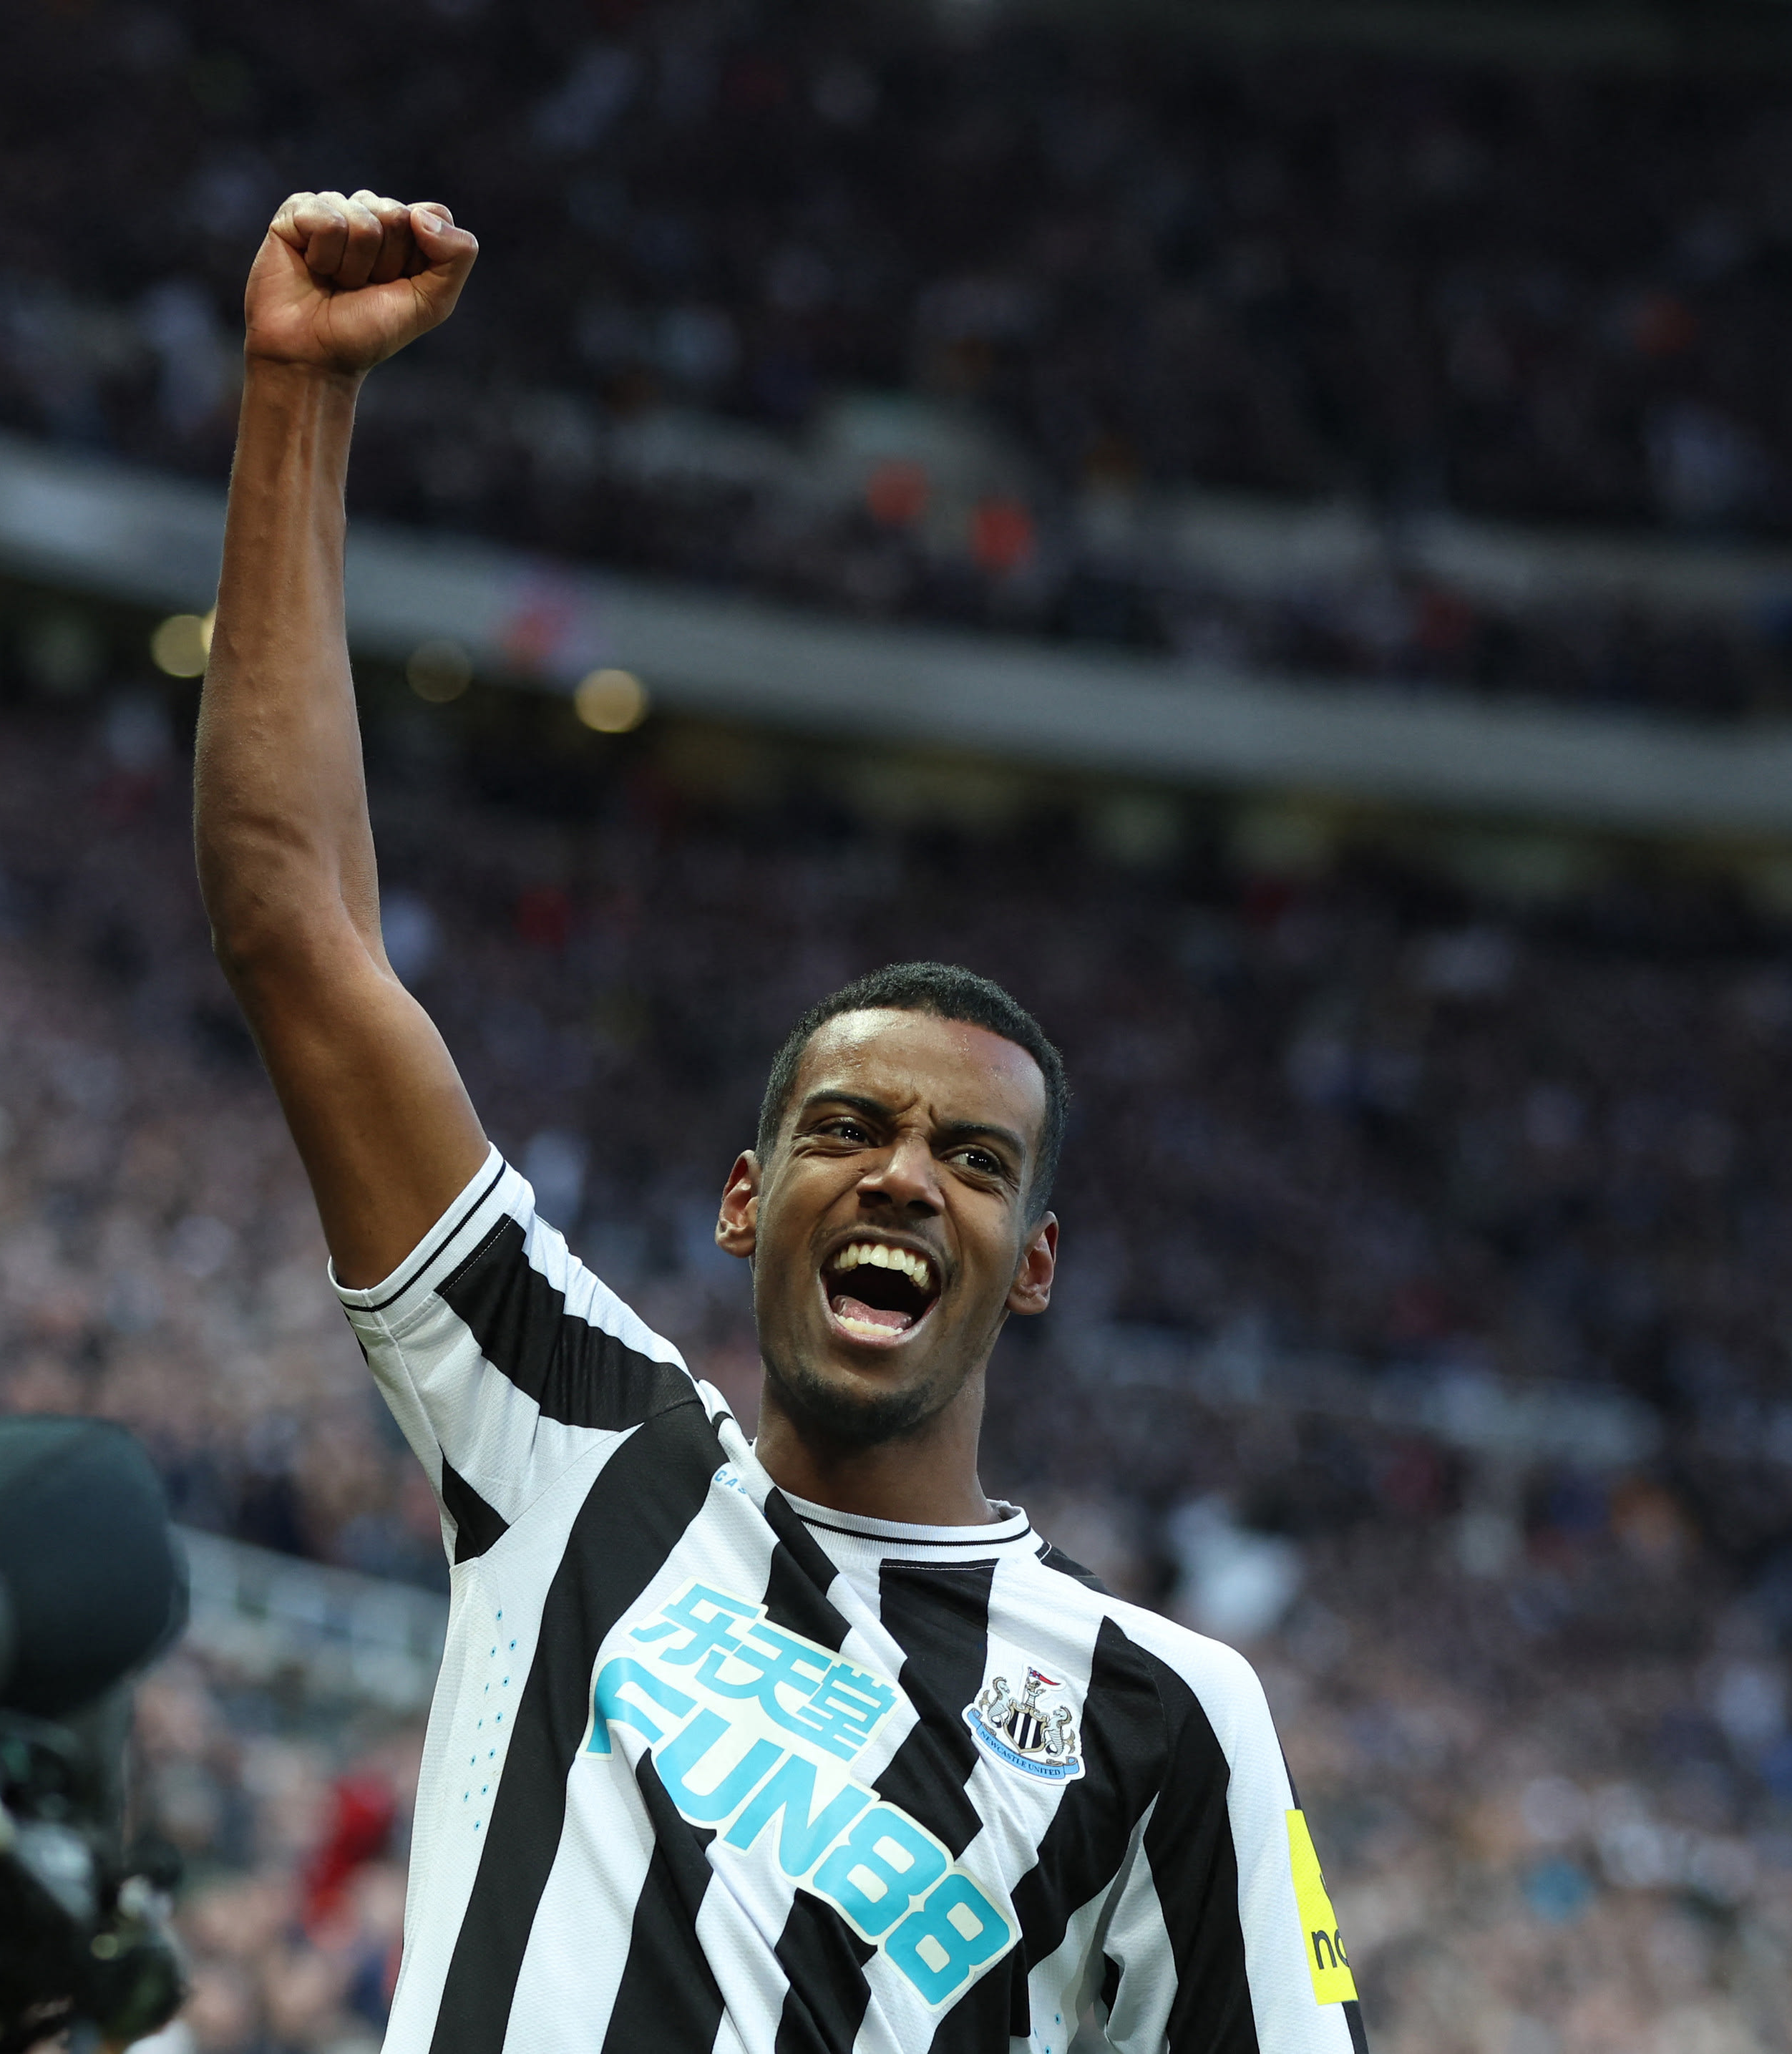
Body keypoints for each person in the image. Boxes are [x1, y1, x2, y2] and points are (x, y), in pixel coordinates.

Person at [193, 188, 1368, 2054]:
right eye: (849, 1129)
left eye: (975, 1160)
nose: (904, 1171)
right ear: (748, 1201)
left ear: (1034, 1263)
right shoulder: (575, 1445)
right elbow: (297, 931)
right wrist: (294, 396)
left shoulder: (1167, 1714)